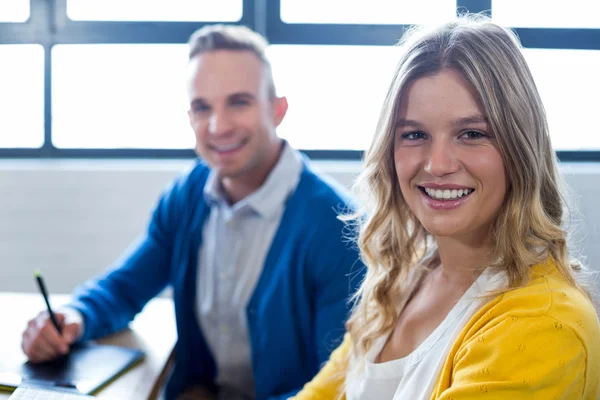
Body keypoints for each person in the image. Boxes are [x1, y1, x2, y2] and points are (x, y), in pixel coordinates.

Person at [20, 24, 363, 400]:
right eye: (203, 107)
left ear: (278, 109)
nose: (218, 126)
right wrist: (71, 318)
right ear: (189, 118)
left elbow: (337, 386)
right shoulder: (187, 196)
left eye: (238, 102)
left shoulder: (338, 226)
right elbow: (123, 288)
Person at [291, 14, 600, 400]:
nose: (437, 165)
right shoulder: (403, 279)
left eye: (472, 134)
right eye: (414, 134)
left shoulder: (544, 323)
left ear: (520, 148)